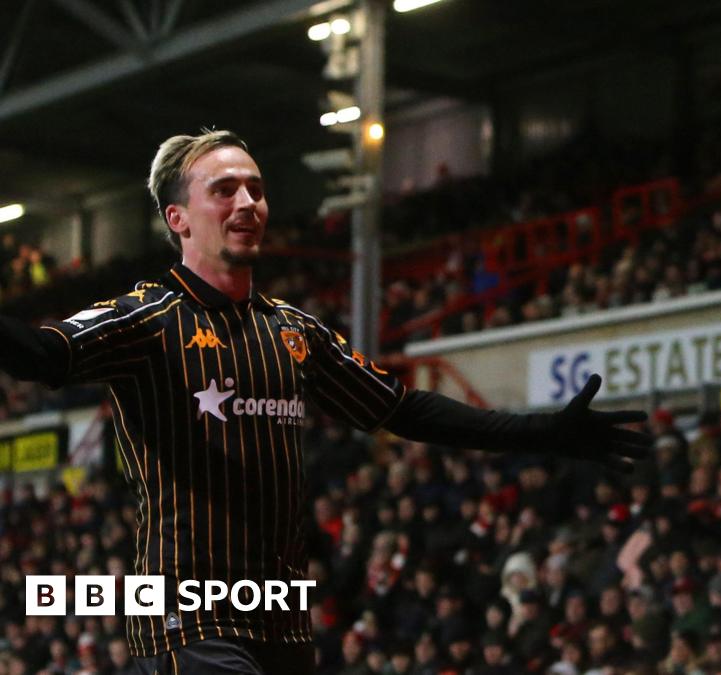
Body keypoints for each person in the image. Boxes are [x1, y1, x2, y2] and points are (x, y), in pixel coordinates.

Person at [0, 130, 650, 675]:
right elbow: (39, 353)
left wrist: (541, 432)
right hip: (185, 617)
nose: (248, 200)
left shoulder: (293, 331)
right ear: (178, 218)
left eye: (255, 187)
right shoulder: (146, 317)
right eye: (224, 189)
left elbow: (405, 410)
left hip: (281, 618)